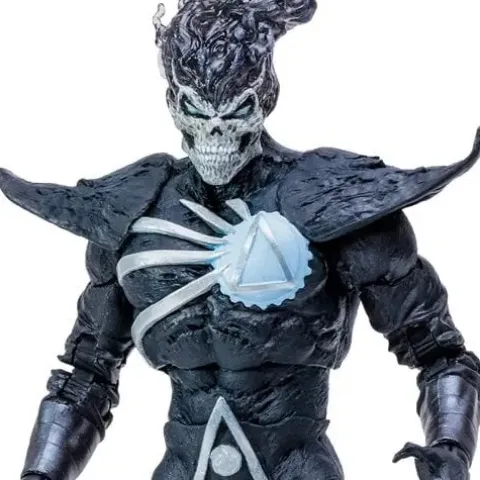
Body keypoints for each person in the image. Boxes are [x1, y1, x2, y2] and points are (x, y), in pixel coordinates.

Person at [1, 0, 479, 478]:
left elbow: (439, 353)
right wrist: (40, 473)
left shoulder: (331, 207)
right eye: (197, 110)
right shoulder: (134, 215)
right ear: (175, 105)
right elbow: (86, 375)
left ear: (264, 99)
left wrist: (450, 446)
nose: (216, 132)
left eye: (235, 112)